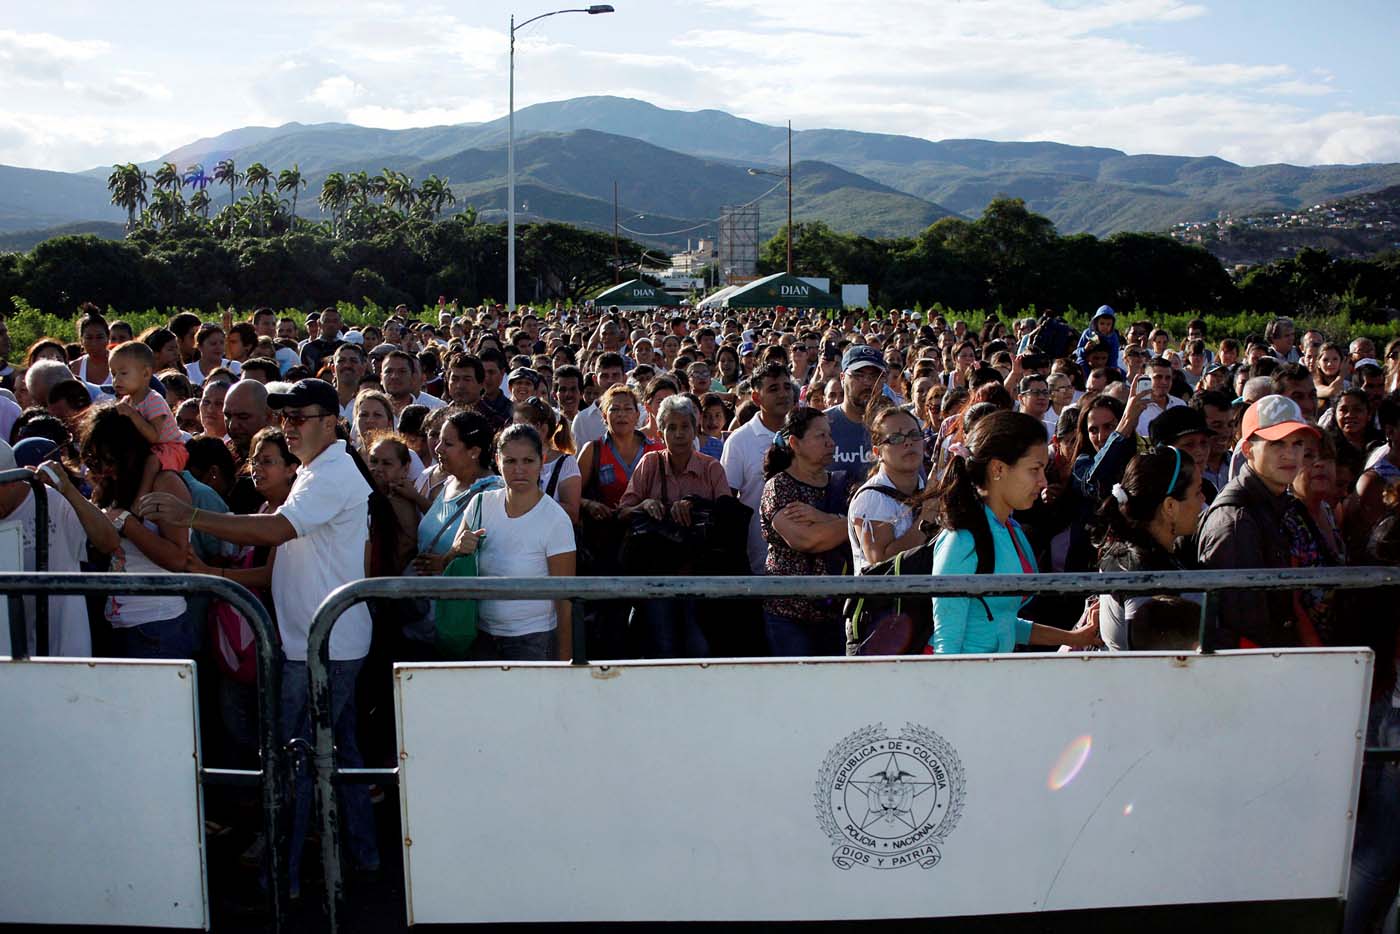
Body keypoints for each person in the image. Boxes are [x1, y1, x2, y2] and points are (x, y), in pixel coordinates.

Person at [136, 377, 380, 897]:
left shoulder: (330, 474)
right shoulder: (320, 470)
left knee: (294, 763)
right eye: (286, 419)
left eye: (299, 418)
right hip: (319, 641)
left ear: (331, 422)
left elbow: (276, 532)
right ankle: (360, 857)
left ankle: (284, 879)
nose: (290, 428)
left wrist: (191, 515)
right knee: (338, 754)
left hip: (320, 647)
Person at [927, 411, 1100, 654]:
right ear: (998, 468)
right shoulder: (961, 539)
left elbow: (1004, 622)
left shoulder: (1011, 529)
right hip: (969, 685)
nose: (1042, 481)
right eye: (1034, 469)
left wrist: (1075, 638)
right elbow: (947, 643)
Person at [1197, 395, 1320, 649]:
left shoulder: (1278, 503)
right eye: (1276, 443)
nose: (1290, 454)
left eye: (1297, 443)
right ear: (1247, 450)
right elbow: (1241, 625)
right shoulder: (1235, 521)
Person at [449, 424, 576, 661]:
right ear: (497, 461)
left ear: (542, 461)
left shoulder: (556, 520)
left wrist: (565, 660)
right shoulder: (479, 504)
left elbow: (565, 599)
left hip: (533, 639)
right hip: (481, 634)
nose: (519, 470)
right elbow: (449, 564)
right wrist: (457, 549)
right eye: (510, 461)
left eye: (528, 461)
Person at [617, 395, 729, 657]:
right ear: (661, 431)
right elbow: (622, 512)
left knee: (699, 647)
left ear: (695, 428)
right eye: (671, 427)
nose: (678, 434)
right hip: (658, 575)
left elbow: (727, 516)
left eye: (685, 427)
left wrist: (695, 504)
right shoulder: (649, 464)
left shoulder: (711, 468)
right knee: (662, 646)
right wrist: (644, 505)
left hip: (701, 575)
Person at [81, 405, 194, 658]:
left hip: (158, 627)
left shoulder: (164, 483)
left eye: (110, 459)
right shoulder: (112, 485)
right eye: (97, 461)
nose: (104, 469)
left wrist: (127, 524)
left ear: (129, 452)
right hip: (116, 624)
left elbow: (179, 559)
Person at [0, 438, 119, 656]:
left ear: (10, 480)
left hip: (64, 652)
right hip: (8, 660)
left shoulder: (50, 500)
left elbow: (109, 542)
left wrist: (69, 490)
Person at [759, 407, 850, 656]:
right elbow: (806, 540)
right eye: (820, 436)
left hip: (836, 611)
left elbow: (870, 528)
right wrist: (849, 524)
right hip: (788, 613)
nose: (831, 442)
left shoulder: (842, 484)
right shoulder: (779, 487)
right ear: (794, 443)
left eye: (830, 435)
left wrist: (826, 519)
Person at [1095, 447, 1205, 650]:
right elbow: (1151, 661)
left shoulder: (1132, 553)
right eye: (1197, 492)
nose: (1203, 500)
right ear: (1170, 506)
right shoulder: (1143, 574)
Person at [722, 363, 794, 574]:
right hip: (759, 560)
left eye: (787, 387)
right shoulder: (739, 441)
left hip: (807, 559)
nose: (783, 394)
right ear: (756, 398)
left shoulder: (807, 433)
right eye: (773, 389)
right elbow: (728, 500)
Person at [848, 405, 935, 576]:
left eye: (914, 435)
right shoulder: (871, 499)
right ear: (877, 452)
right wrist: (928, 515)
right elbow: (882, 564)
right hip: (885, 600)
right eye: (895, 438)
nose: (908, 442)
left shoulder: (928, 490)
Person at [105, 340, 189, 501]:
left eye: (123, 373)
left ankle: (141, 498)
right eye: (113, 374)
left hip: (170, 448)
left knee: (152, 460)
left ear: (145, 374)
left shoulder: (154, 400)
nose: (116, 380)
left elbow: (154, 437)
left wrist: (132, 415)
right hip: (148, 448)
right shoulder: (127, 401)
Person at [513, 396, 581, 525]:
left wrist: (533, 498)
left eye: (519, 428)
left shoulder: (565, 463)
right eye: (513, 426)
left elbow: (572, 515)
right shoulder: (510, 461)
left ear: (542, 429)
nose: (513, 433)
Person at [826, 345, 885, 470]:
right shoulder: (821, 424)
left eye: (875, 376)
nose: (868, 382)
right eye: (858, 375)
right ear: (842, 378)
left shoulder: (896, 426)